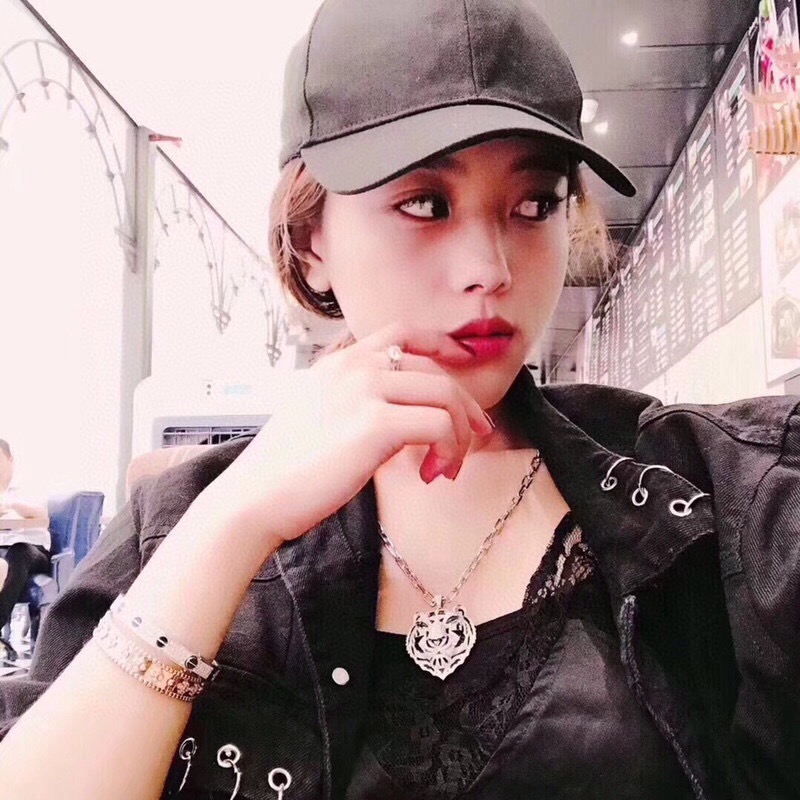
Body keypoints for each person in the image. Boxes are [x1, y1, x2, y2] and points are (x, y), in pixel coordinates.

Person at [0, 1, 797, 798]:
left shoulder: (715, 493)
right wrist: (232, 527)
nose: (489, 270)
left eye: (534, 204)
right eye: (425, 204)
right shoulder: (178, 520)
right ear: (311, 242)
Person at [0, 439, 50, 662]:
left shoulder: (27, 487)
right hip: (3, 550)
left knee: (18, 552)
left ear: (10, 460)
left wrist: (10, 505)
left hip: (33, 550)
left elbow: (42, 514)